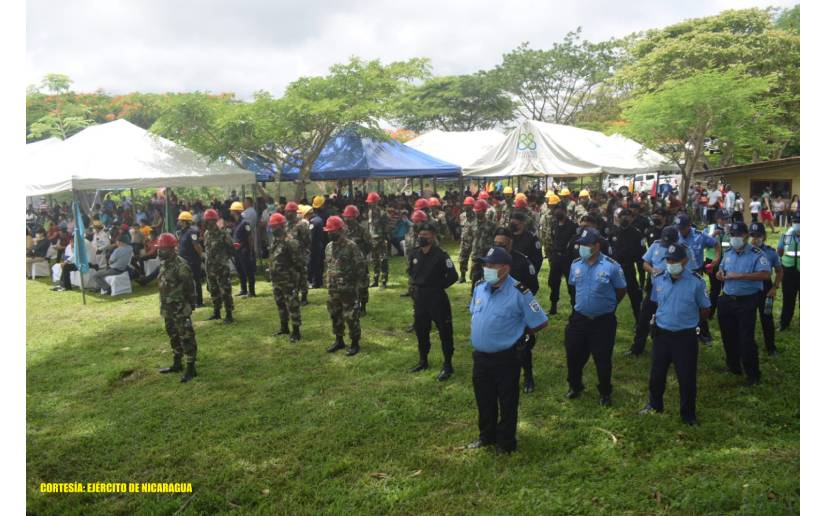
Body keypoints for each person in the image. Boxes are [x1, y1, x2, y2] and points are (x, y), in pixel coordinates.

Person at [466, 247, 548, 453]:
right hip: (481, 357)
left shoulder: (520, 291)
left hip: (506, 357)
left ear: (505, 268)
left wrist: (518, 333)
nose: (486, 268)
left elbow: (540, 321)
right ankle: (487, 436)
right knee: (484, 399)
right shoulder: (480, 287)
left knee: (507, 401)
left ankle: (506, 442)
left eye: (491, 265)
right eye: (485, 264)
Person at [640, 243, 710, 426]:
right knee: (657, 374)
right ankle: (654, 405)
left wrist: (689, 321)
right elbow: (657, 303)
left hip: (685, 337)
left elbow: (705, 309)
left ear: (684, 261)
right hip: (662, 334)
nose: (671, 263)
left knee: (686, 377)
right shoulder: (659, 279)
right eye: (668, 260)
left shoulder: (696, 282)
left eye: (675, 260)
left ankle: (688, 414)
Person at [564, 228, 627, 406]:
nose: (582, 248)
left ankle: (605, 392)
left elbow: (621, 290)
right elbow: (573, 287)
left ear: (597, 246)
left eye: (586, 245)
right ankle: (575, 385)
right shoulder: (575, 264)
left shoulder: (611, 266)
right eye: (580, 245)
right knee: (574, 353)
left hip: (603, 321)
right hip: (579, 318)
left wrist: (609, 305)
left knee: (602, 357)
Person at [716, 221, 771, 386]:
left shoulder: (756, 254)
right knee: (728, 335)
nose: (735, 238)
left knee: (746, 339)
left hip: (746, 301)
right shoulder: (728, 253)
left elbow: (766, 275)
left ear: (746, 235)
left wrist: (740, 276)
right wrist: (720, 274)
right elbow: (722, 269)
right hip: (727, 298)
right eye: (732, 235)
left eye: (738, 235)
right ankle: (733, 366)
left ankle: (753, 374)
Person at [408, 223, 458, 380]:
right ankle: (423, 360)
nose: (422, 237)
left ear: (434, 236)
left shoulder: (441, 255)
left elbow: (453, 276)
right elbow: (411, 272)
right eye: (421, 234)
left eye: (426, 234)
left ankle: (448, 364)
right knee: (421, 330)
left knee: (445, 331)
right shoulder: (415, 254)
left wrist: (438, 287)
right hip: (420, 298)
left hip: (437, 298)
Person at [492, 228, 539, 393]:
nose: (498, 247)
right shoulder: (491, 261)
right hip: (497, 310)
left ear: (511, 243)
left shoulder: (522, 261)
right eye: (496, 244)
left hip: (518, 311)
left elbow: (533, 287)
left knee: (523, 346)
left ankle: (528, 376)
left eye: (502, 245)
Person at [156, 233, 199, 383]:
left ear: (172, 249)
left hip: (180, 308)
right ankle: (177, 363)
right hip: (168, 308)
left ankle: (191, 367)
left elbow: (190, 288)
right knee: (173, 335)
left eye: (163, 249)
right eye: (159, 248)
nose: (160, 251)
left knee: (186, 336)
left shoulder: (181, 266)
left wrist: (190, 305)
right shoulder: (164, 264)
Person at [323, 216, 367, 356]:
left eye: (333, 231)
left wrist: (359, 287)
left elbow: (360, 267)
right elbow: (329, 266)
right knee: (335, 314)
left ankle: (355, 342)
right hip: (333, 288)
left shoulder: (351, 246)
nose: (330, 234)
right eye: (329, 231)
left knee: (351, 316)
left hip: (348, 288)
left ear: (341, 230)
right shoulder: (329, 247)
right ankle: (339, 340)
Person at [267, 213, 304, 342]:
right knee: (280, 303)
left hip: (288, 280)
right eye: (271, 226)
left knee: (292, 304)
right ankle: (284, 327)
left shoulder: (290, 242)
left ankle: (296, 331)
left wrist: (295, 278)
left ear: (281, 226)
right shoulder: (275, 241)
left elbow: (298, 262)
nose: (272, 229)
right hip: (277, 280)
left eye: (274, 226)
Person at [749, 222, 783, 355]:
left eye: (758, 235)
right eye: (752, 235)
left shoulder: (770, 252)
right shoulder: (743, 251)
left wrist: (775, 287)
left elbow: (780, 271)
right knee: (748, 320)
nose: (755, 238)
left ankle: (771, 347)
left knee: (767, 318)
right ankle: (749, 347)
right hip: (749, 290)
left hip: (766, 289)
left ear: (764, 236)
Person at [604, 209, 644, 322]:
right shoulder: (613, 233)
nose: (625, 219)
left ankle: (639, 321)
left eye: (628, 216)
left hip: (629, 270)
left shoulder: (636, 233)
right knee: (612, 297)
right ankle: (608, 320)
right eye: (622, 216)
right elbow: (609, 254)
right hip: (615, 270)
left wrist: (642, 278)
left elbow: (641, 257)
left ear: (632, 219)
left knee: (635, 298)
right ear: (618, 218)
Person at [699, 209, 731, 344]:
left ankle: (727, 312)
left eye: (727, 218)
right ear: (717, 219)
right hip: (712, 261)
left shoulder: (730, 228)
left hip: (728, 262)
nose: (725, 221)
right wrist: (712, 235)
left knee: (727, 288)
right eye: (723, 219)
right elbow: (702, 244)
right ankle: (710, 313)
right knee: (715, 289)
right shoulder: (709, 228)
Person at [202, 208, 234, 323]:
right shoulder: (206, 234)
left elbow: (231, 248)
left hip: (221, 267)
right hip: (210, 267)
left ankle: (229, 314)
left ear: (214, 221)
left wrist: (224, 259)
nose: (206, 222)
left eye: (208, 220)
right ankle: (216, 312)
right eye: (205, 220)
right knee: (213, 290)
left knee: (225, 290)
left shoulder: (223, 233)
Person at [547, 205, 578, 315]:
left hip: (568, 259)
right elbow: (552, 238)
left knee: (571, 285)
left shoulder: (573, 226)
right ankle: (553, 306)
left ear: (565, 211)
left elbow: (575, 241)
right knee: (553, 282)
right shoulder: (554, 224)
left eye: (559, 210)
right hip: (556, 257)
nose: (557, 213)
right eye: (556, 210)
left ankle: (575, 308)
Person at [343, 205, 372, 316]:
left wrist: (361, 255)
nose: (346, 219)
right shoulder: (344, 230)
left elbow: (369, 244)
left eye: (349, 217)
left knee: (362, 285)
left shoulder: (362, 230)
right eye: (346, 217)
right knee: (349, 284)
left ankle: (363, 306)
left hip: (360, 262)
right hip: (347, 263)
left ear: (355, 217)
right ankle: (352, 305)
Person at [284, 201, 311, 306]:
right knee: (291, 276)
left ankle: (304, 297)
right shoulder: (286, 224)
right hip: (289, 256)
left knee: (302, 276)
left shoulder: (302, 224)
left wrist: (300, 249)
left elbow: (307, 240)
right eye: (286, 211)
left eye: (288, 212)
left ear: (294, 212)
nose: (286, 214)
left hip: (300, 254)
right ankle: (293, 295)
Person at [776, 214, 800, 331]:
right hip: (788, 270)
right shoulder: (786, 236)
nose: (798, 224)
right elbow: (779, 250)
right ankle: (784, 323)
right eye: (795, 221)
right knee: (788, 299)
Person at [176, 211, 204, 308]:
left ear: (185, 221)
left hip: (192, 261)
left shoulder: (192, 232)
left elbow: (196, 245)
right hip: (183, 261)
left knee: (196, 281)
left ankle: (199, 301)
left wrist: (201, 256)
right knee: (186, 282)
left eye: (180, 221)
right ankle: (190, 300)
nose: (179, 222)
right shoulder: (181, 233)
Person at [230, 201, 256, 297]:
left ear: (236, 211)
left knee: (248, 271)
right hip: (237, 251)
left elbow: (250, 237)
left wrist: (251, 251)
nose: (230, 212)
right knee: (240, 271)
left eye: (232, 210)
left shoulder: (245, 223)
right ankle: (243, 290)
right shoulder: (235, 223)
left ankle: (252, 291)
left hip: (245, 250)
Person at [469, 200, 497, 289]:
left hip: (487, 256)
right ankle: (474, 296)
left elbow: (496, 241)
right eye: (476, 211)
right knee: (475, 277)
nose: (477, 213)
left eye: (479, 211)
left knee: (489, 277)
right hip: (476, 255)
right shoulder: (472, 224)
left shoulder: (492, 225)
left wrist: (492, 252)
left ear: (484, 211)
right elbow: (469, 239)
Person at [366, 192, 391, 289]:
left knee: (383, 260)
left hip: (381, 240)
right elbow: (370, 226)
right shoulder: (369, 212)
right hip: (372, 240)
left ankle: (384, 281)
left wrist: (385, 238)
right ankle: (375, 280)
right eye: (369, 202)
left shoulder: (382, 213)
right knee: (374, 260)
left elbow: (387, 228)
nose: (369, 204)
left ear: (376, 202)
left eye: (371, 202)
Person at [458, 196, 476, 284]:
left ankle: (474, 278)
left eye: (469, 205)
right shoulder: (462, 216)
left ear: (473, 206)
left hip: (474, 242)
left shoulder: (477, 216)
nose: (467, 207)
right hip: (464, 242)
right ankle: (462, 277)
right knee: (462, 259)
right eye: (466, 205)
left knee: (474, 260)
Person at [307, 206, 327, 289]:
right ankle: (318, 281)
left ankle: (316, 282)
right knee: (319, 264)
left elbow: (311, 236)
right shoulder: (319, 219)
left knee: (314, 264)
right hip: (319, 244)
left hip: (314, 246)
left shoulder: (313, 222)